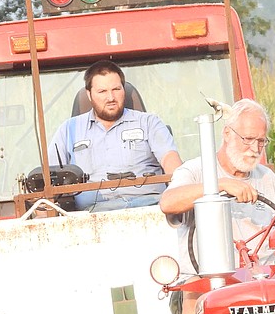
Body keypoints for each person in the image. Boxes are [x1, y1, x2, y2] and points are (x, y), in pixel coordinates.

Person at [159, 98, 275, 314]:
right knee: (193, 294)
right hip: (211, 283)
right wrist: (220, 186)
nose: (255, 149)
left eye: (261, 142)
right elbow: (168, 202)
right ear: (227, 134)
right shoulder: (195, 171)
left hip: (261, 281)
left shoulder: (267, 179)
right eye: (248, 139)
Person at [48, 60, 182, 212]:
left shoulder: (149, 122)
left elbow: (170, 159)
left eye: (116, 89)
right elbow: (50, 178)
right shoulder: (68, 129)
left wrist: (180, 188)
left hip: (150, 207)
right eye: (102, 91)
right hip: (92, 215)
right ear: (89, 94)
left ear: (123, 89)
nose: (111, 98)